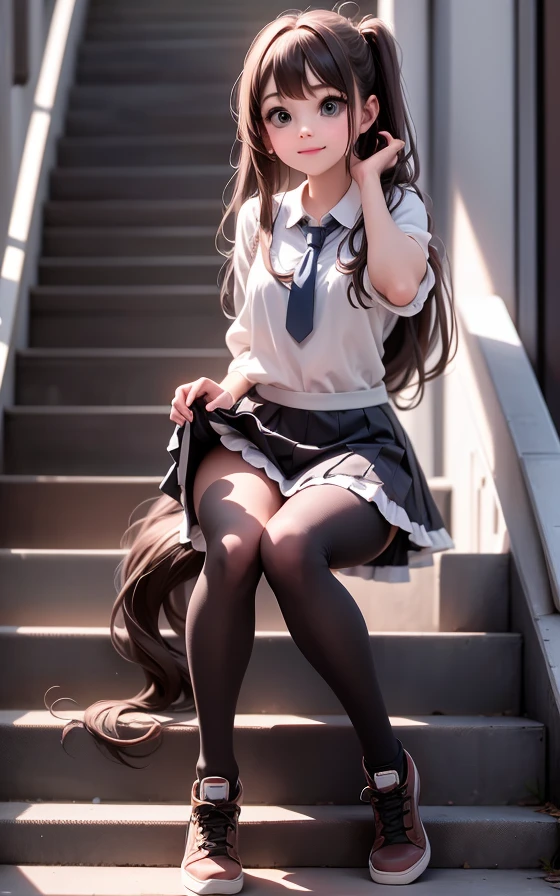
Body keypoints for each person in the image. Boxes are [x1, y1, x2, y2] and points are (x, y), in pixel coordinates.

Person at [46, 6, 457, 892]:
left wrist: (377, 182)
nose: (303, 130)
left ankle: (392, 778)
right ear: (258, 124)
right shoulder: (260, 216)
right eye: (280, 113)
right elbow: (254, 348)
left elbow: (396, 285)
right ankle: (215, 794)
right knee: (231, 551)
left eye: (324, 107)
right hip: (262, 424)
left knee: (290, 546)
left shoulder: (397, 206)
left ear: (366, 110)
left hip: (354, 437)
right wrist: (216, 388)